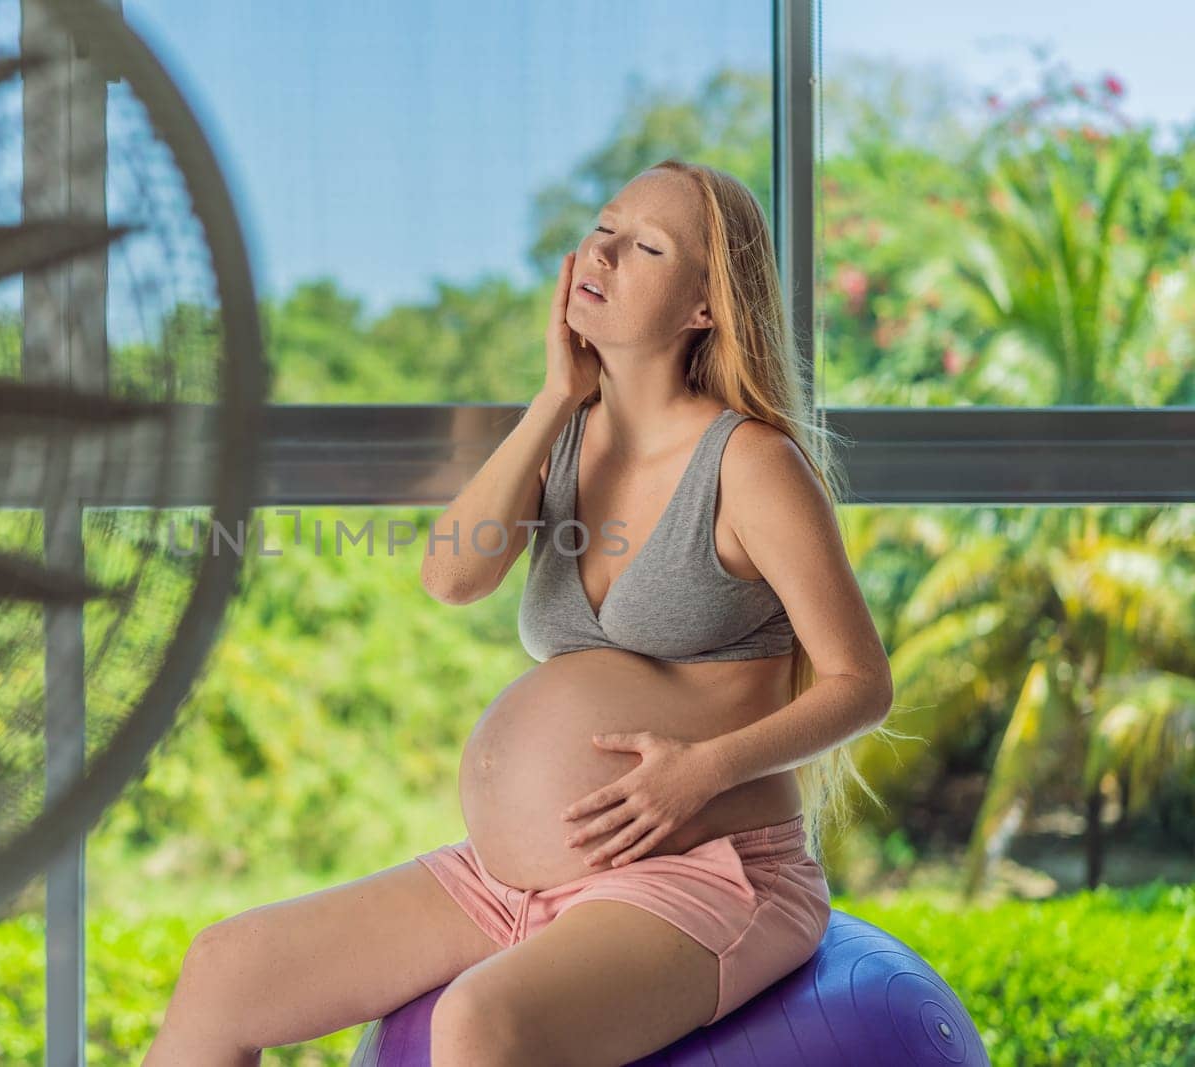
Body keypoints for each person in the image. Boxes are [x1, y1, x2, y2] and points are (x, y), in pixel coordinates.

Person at [141, 160, 897, 1067]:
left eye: (645, 246)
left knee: (477, 1024)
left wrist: (700, 771)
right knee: (224, 969)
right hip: (509, 878)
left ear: (704, 305)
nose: (602, 254)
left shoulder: (752, 465)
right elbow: (450, 577)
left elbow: (862, 684)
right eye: (603, 228)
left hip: (709, 871)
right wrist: (552, 400)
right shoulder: (567, 437)